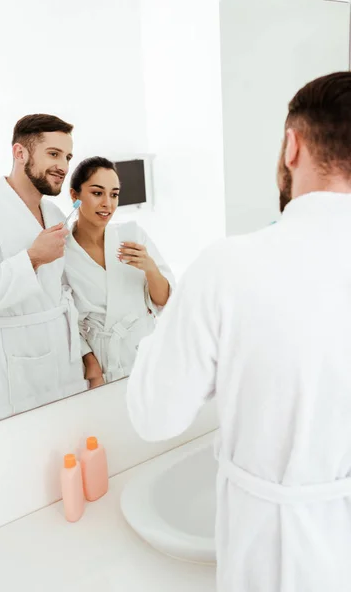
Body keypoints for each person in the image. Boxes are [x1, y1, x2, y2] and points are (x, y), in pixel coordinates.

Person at [127, 71, 351, 592]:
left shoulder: (229, 266)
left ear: (291, 146)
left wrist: (156, 340)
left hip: (271, 555)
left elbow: (156, 417)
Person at [0, 114, 85, 424]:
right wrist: (32, 259)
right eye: (53, 153)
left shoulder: (53, 212)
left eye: (67, 156)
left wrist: (85, 355)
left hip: (63, 362)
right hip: (11, 372)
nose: (63, 166)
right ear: (19, 153)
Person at [64, 156, 175, 388]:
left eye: (114, 194)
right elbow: (66, 319)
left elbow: (165, 300)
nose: (108, 203)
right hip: (100, 364)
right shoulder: (62, 252)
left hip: (145, 352)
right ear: (75, 196)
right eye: (97, 193)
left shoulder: (133, 237)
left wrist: (150, 267)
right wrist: (91, 365)